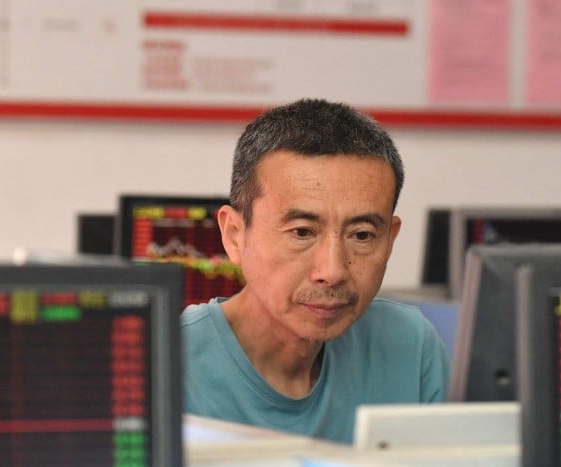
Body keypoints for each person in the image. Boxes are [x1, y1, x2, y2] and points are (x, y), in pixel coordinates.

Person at [181, 98, 450, 443]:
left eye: (362, 235)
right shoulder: (166, 363)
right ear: (235, 235)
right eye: (302, 232)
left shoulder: (409, 346)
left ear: (390, 239)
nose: (332, 271)